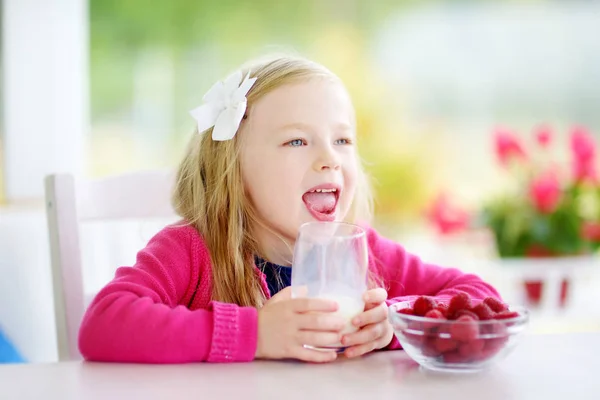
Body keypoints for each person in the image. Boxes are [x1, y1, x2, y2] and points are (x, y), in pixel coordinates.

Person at [79, 55, 500, 364]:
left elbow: (483, 299)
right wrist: (256, 334)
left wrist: (394, 324)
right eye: (298, 141)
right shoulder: (192, 250)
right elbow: (104, 323)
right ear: (233, 170)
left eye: (342, 141)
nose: (329, 159)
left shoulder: (362, 253)